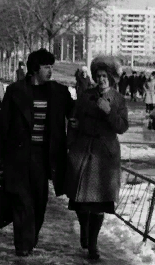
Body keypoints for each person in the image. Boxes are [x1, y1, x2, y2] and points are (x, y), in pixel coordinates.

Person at [0, 48, 74, 257]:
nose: (50, 71)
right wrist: (0, 158)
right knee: (22, 202)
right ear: (34, 69)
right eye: (46, 67)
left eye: (51, 67)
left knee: (39, 202)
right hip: (18, 156)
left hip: (44, 157)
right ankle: (22, 244)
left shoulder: (59, 92)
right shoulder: (15, 91)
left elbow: (76, 114)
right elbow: (4, 126)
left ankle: (31, 238)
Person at [65, 55, 129, 260]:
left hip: (105, 157)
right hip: (83, 151)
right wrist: (72, 137)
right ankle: (84, 228)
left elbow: (122, 127)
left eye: (104, 76)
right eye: (98, 75)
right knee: (80, 201)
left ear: (110, 77)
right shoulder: (86, 96)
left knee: (99, 204)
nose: (101, 79)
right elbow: (74, 118)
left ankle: (93, 245)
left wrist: (109, 111)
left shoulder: (118, 99)